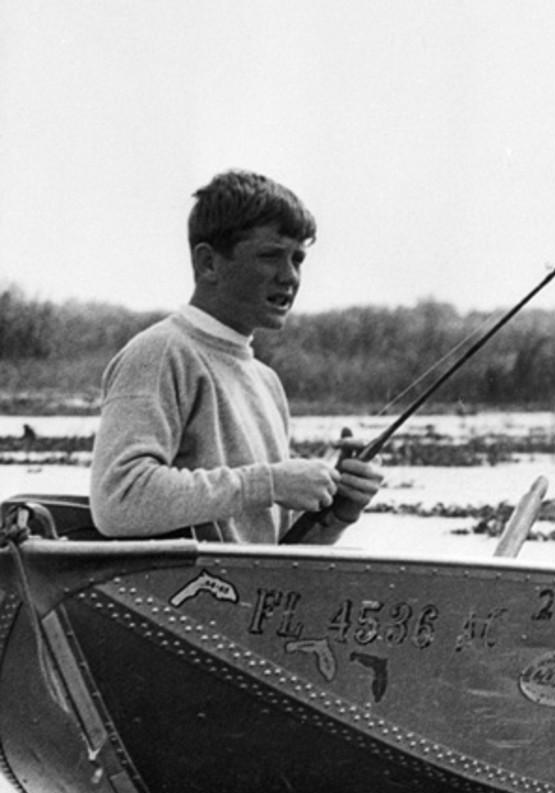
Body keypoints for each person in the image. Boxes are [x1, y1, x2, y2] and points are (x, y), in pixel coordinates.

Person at [90, 169, 382, 545]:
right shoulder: (159, 353)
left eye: (298, 259)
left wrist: (337, 512)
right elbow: (119, 501)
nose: (290, 276)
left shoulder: (266, 381)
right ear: (209, 263)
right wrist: (271, 481)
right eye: (270, 256)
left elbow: (278, 558)